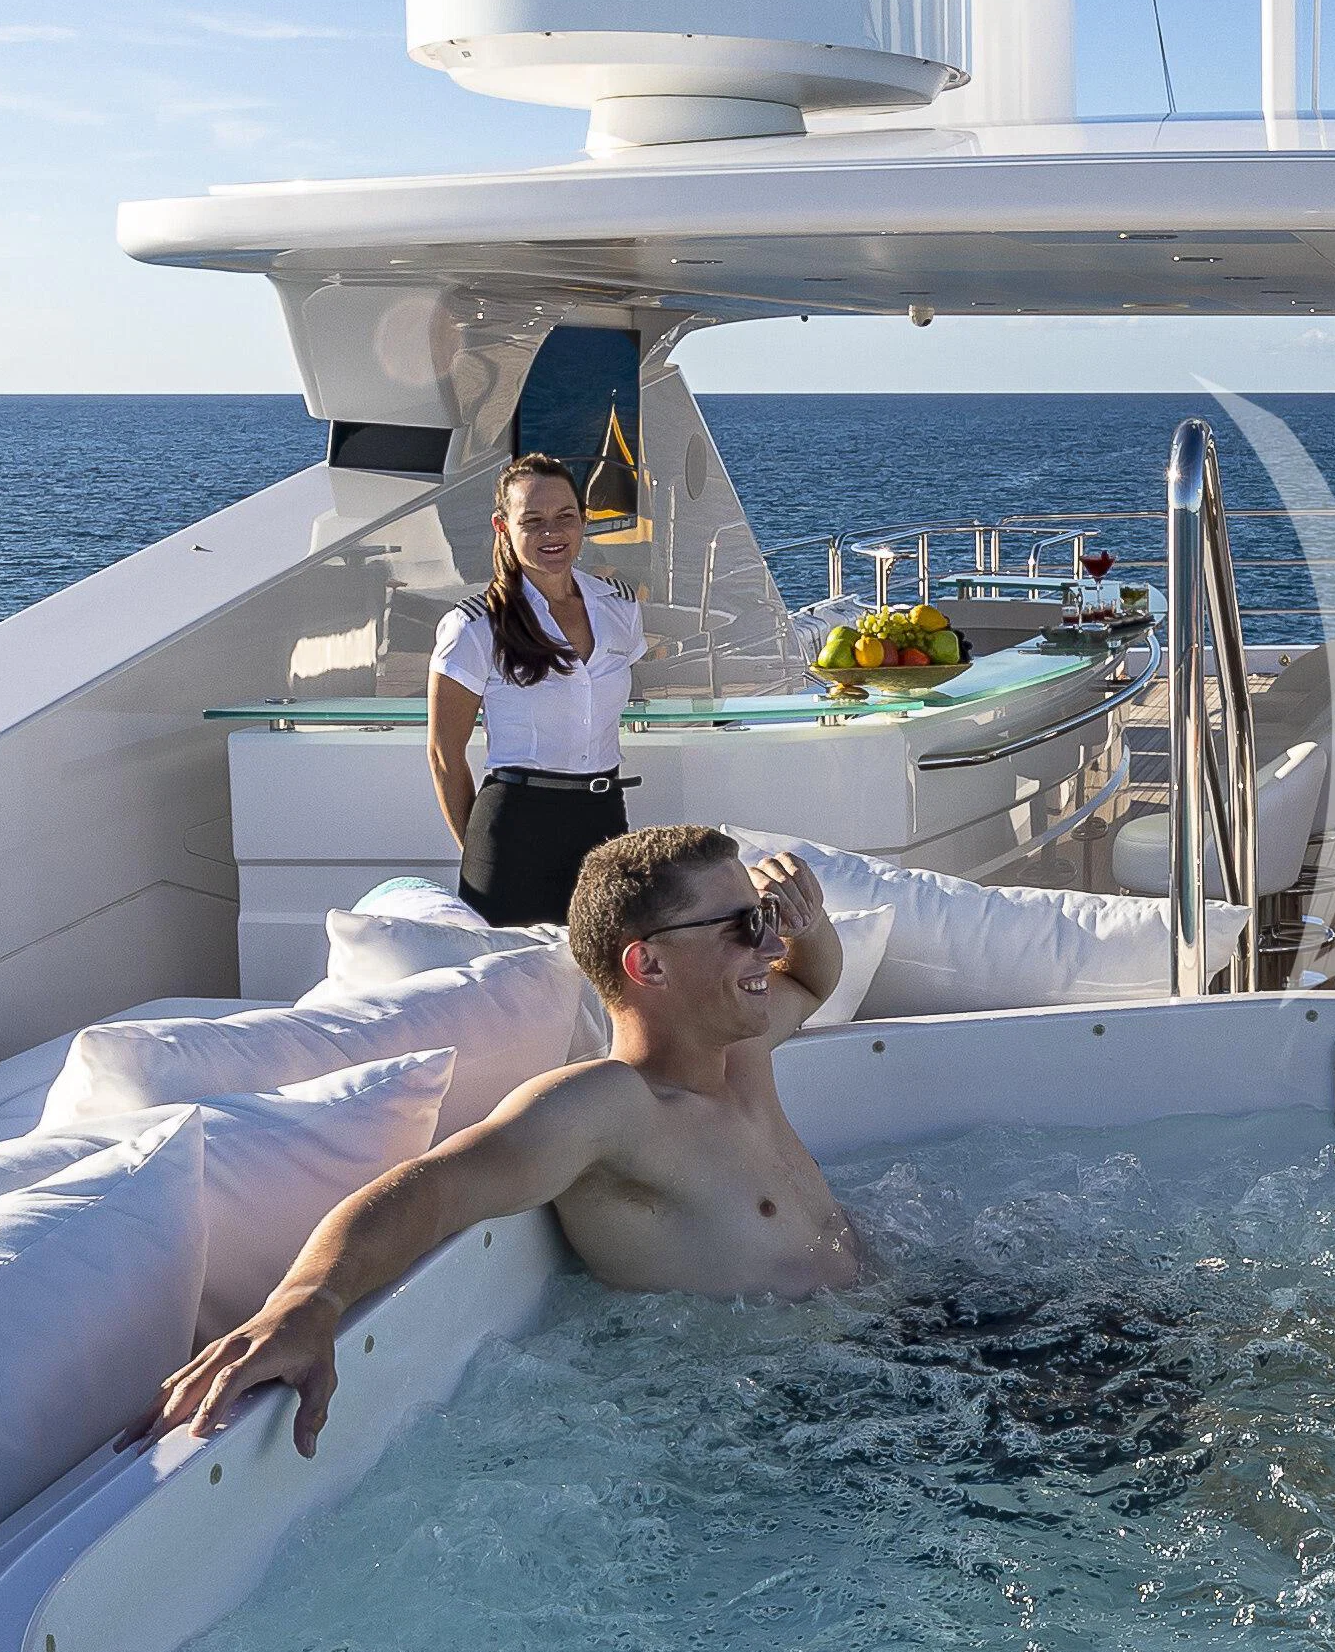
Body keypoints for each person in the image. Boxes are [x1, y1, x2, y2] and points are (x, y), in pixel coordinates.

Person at [161, 823, 859, 1453]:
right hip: (786, 1420)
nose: (769, 944)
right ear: (648, 965)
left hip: (881, 1349)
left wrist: (811, 919)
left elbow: (813, 974)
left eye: (765, 919)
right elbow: (435, 1188)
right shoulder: (612, 1105)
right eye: (741, 926)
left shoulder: (743, 1047)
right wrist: (309, 1299)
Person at [429, 450, 643, 930]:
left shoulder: (620, 609)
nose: (553, 534)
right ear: (503, 527)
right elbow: (444, 755)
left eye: (566, 517)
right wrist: (483, 851)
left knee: (606, 978)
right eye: (533, 521)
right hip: (515, 828)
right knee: (509, 990)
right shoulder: (474, 626)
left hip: (603, 819)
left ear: (584, 522)